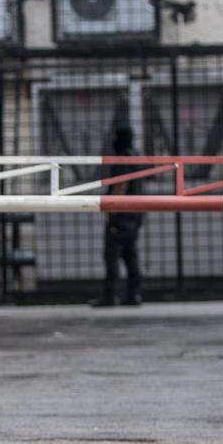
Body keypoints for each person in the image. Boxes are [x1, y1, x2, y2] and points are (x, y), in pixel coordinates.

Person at [94, 122, 143, 307]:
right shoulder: (136, 158)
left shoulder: (122, 159)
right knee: (130, 254)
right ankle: (134, 293)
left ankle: (110, 294)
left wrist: (110, 207)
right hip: (136, 213)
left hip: (121, 214)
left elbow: (120, 185)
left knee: (112, 254)